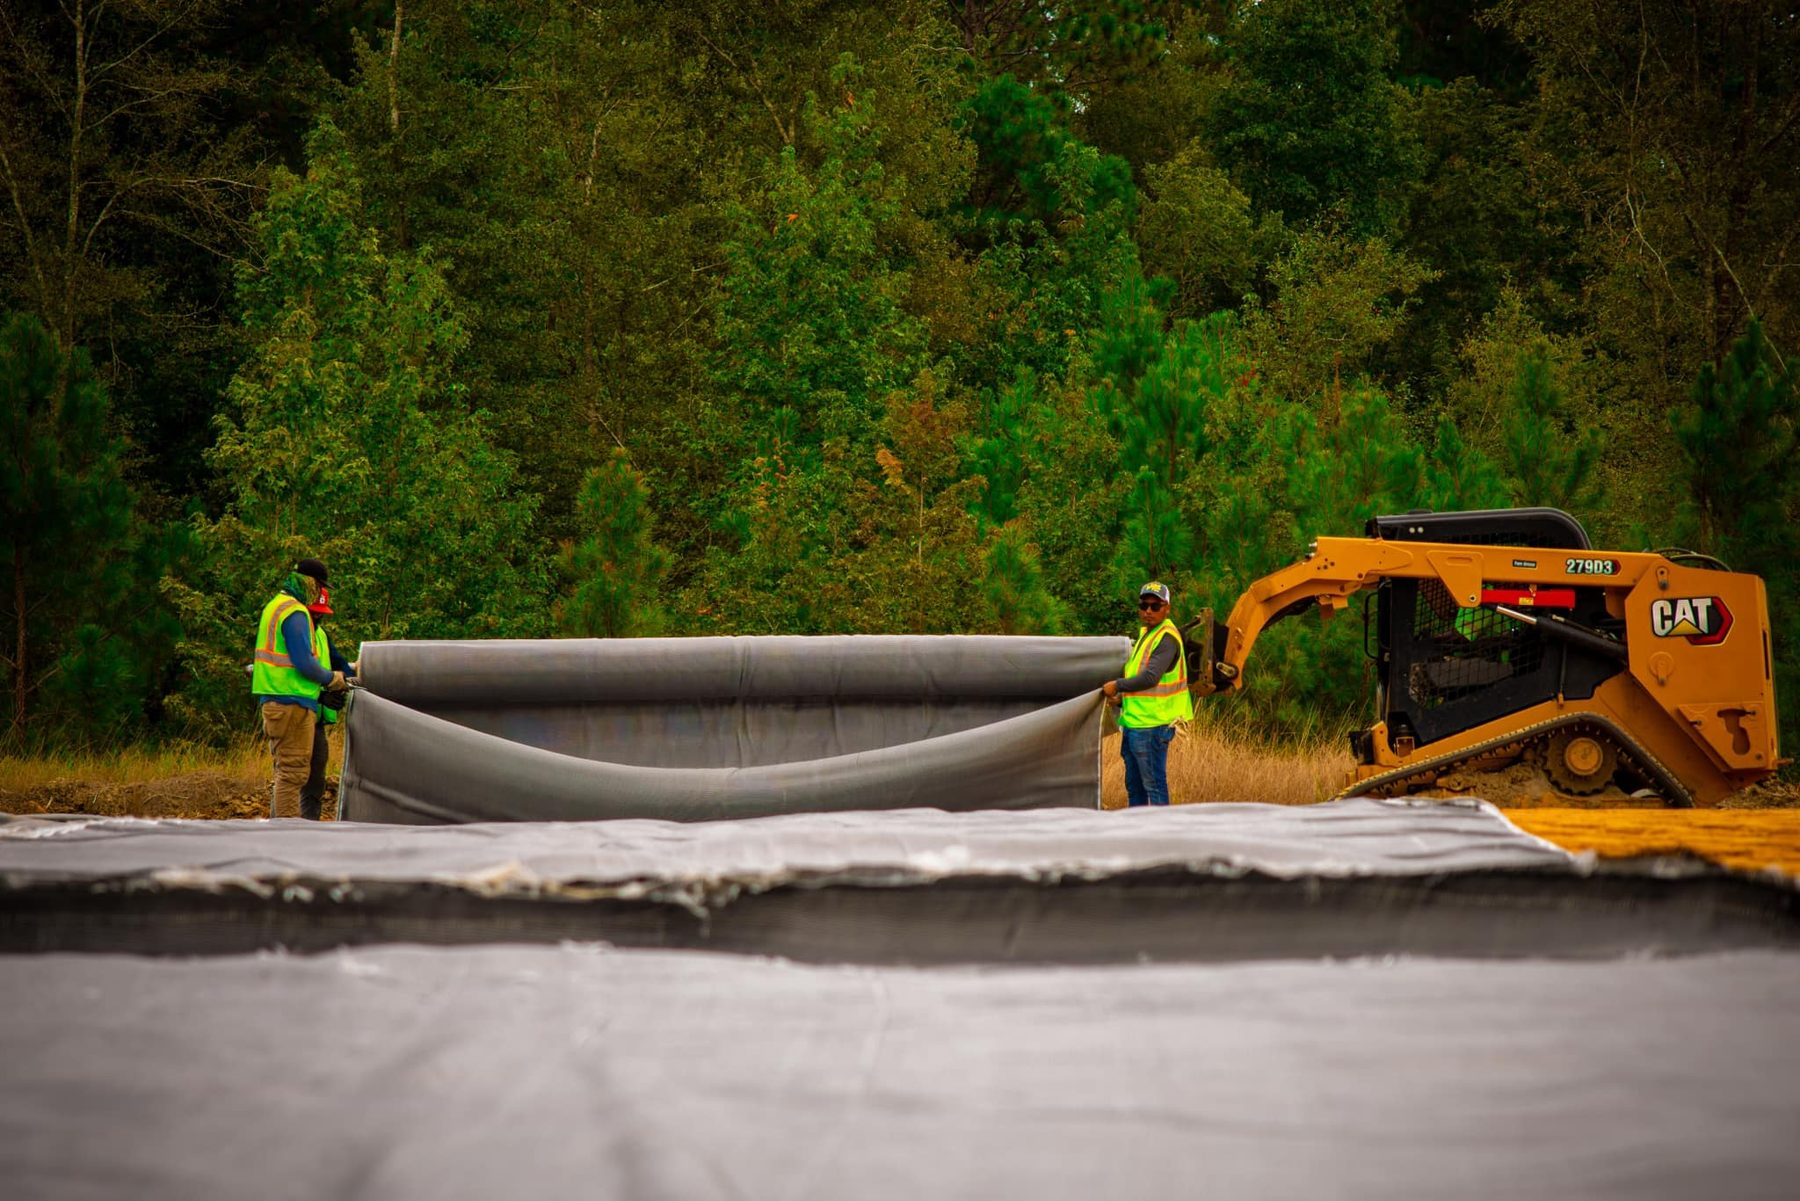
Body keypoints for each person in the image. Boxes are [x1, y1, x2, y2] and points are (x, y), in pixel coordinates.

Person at [252, 557, 346, 819]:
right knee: (292, 775)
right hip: (289, 704)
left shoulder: (276, 606)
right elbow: (305, 663)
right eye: (317, 585)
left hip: (283, 702)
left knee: (292, 773)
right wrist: (332, 679)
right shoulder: (294, 612)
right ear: (308, 582)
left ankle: (286, 833)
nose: (318, 591)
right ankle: (286, 836)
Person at [1102, 581, 1194, 807]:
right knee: (1135, 787)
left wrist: (1117, 686)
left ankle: (1162, 836)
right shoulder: (1148, 634)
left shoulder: (1167, 638)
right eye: (1144, 605)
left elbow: (1150, 677)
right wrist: (1122, 699)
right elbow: (1145, 683)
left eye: (1155, 606)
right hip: (1136, 723)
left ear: (1167, 608)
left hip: (1153, 726)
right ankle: (1139, 833)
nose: (1148, 611)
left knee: (1153, 786)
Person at [299, 585, 356, 821]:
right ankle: (283, 828)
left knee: (316, 781)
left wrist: (350, 679)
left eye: (320, 612)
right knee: (292, 776)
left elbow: (338, 662)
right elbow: (295, 676)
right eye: (313, 612)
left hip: (316, 719)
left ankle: (309, 828)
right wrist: (322, 695)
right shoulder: (294, 636)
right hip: (298, 714)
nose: (318, 616)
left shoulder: (320, 635)